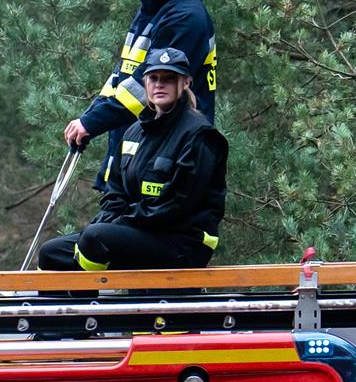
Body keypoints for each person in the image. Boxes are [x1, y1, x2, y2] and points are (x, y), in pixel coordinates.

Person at [37, 45, 228, 273]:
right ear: (145, 83)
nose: (159, 84)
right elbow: (115, 191)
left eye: (169, 78)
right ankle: (64, 309)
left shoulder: (199, 135)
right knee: (52, 253)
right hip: (137, 231)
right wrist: (109, 220)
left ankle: (91, 307)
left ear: (185, 82)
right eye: (153, 77)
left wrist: (116, 225)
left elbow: (176, 205)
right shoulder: (135, 132)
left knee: (94, 239)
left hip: (182, 242)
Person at [61, 0, 218, 175]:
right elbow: (121, 77)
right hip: (140, 152)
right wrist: (90, 117)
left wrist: (92, 123)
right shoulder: (152, 10)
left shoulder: (185, 17)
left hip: (171, 155)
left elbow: (146, 86)